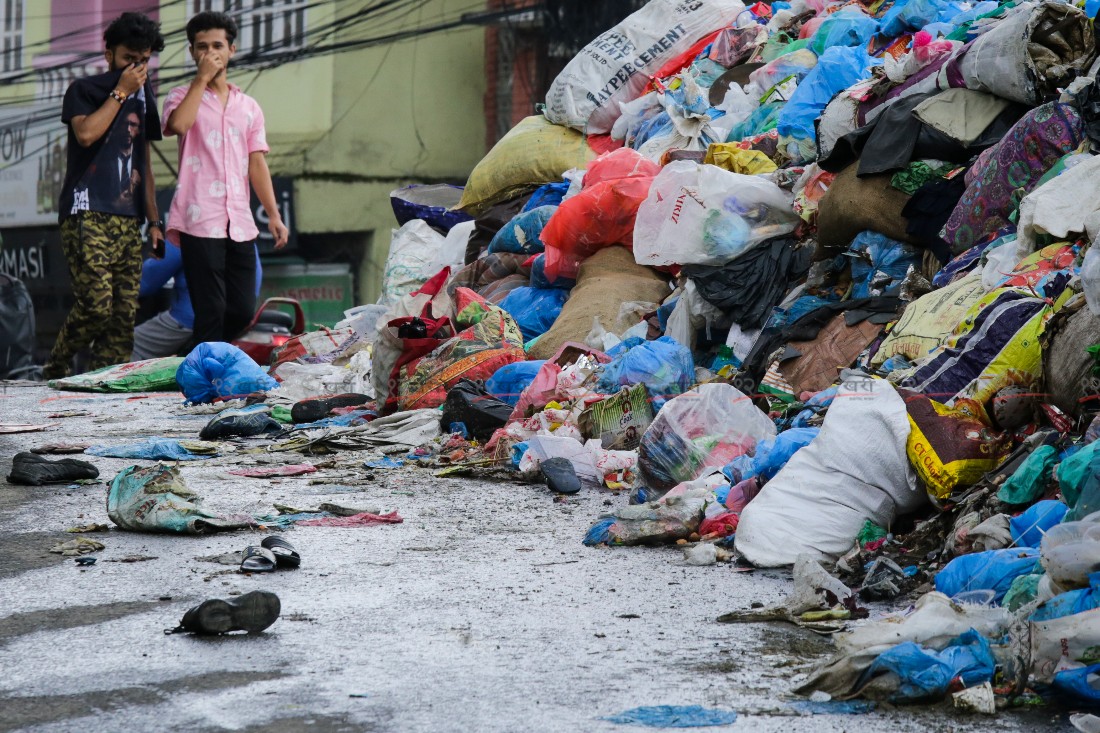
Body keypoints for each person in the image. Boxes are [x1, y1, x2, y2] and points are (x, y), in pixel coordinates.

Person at [43, 12, 166, 379]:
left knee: (122, 317)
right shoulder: (85, 89)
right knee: (96, 305)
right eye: (129, 58)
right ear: (109, 53)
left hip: (129, 219)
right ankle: (57, 363)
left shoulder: (145, 97)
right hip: (86, 211)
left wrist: (155, 220)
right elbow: (86, 134)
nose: (136, 67)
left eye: (143, 61)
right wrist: (121, 90)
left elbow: (142, 161)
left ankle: (101, 386)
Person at [162, 10, 288, 346]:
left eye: (217, 45)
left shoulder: (248, 107)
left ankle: (191, 357)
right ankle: (207, 382)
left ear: (231, 50)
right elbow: (178, 126)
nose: (210, 53)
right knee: (210, 308)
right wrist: (201, 80)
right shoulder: (179, 96)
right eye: (201, 47)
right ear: (192, 52)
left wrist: (273, 215)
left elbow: (257, 163)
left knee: (243, 309)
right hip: (199, 217)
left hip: (240, 220)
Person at [131, 243, 263, 361]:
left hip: (189, 319)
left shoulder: (186, 233)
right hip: (232, 324)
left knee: (127, 344)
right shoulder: (243, 236)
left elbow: (147, 280)